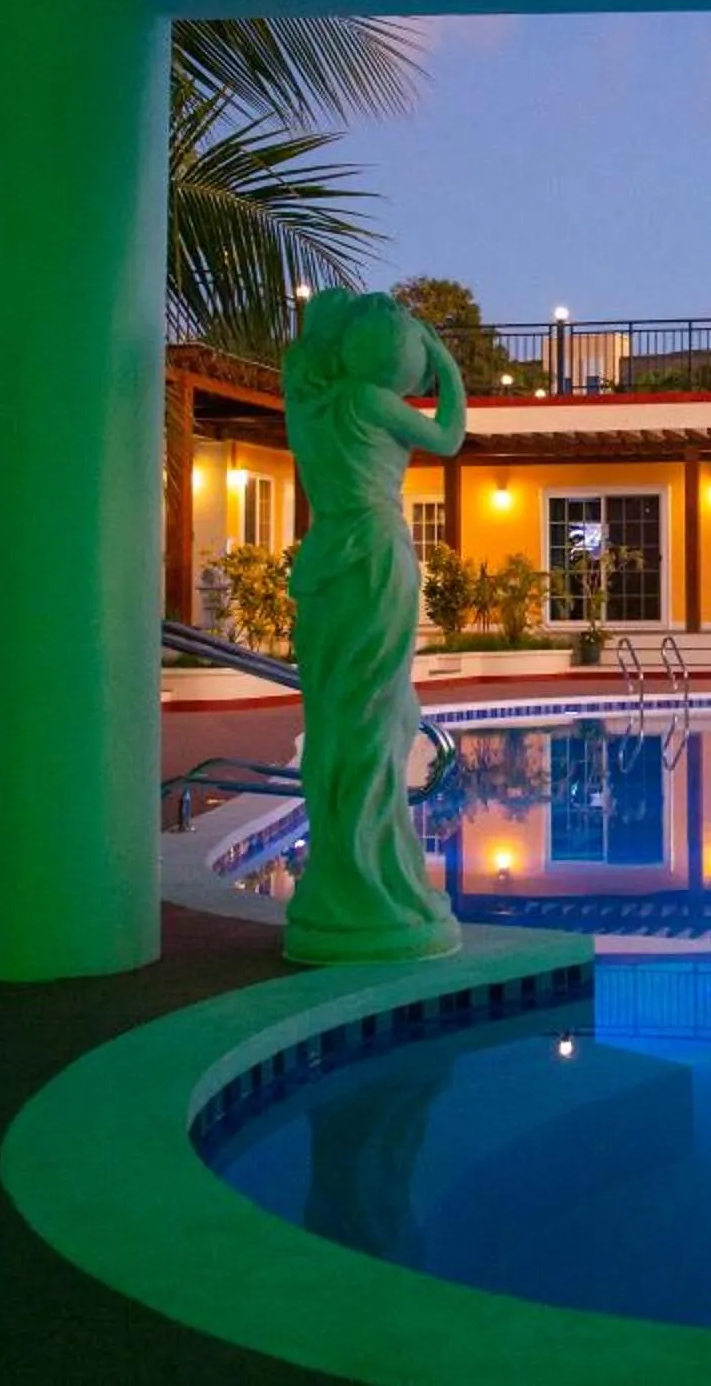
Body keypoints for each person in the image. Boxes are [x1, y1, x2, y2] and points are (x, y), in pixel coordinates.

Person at [280, 287, 467, 965]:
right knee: (376, 711)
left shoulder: (309, 405)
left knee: (339, 713)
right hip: (378, 555)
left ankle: (340, 876)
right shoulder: (367, 399)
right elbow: (447, 437)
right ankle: (371, 884)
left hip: (327, 557)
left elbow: (301, 363)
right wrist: (447, 368)